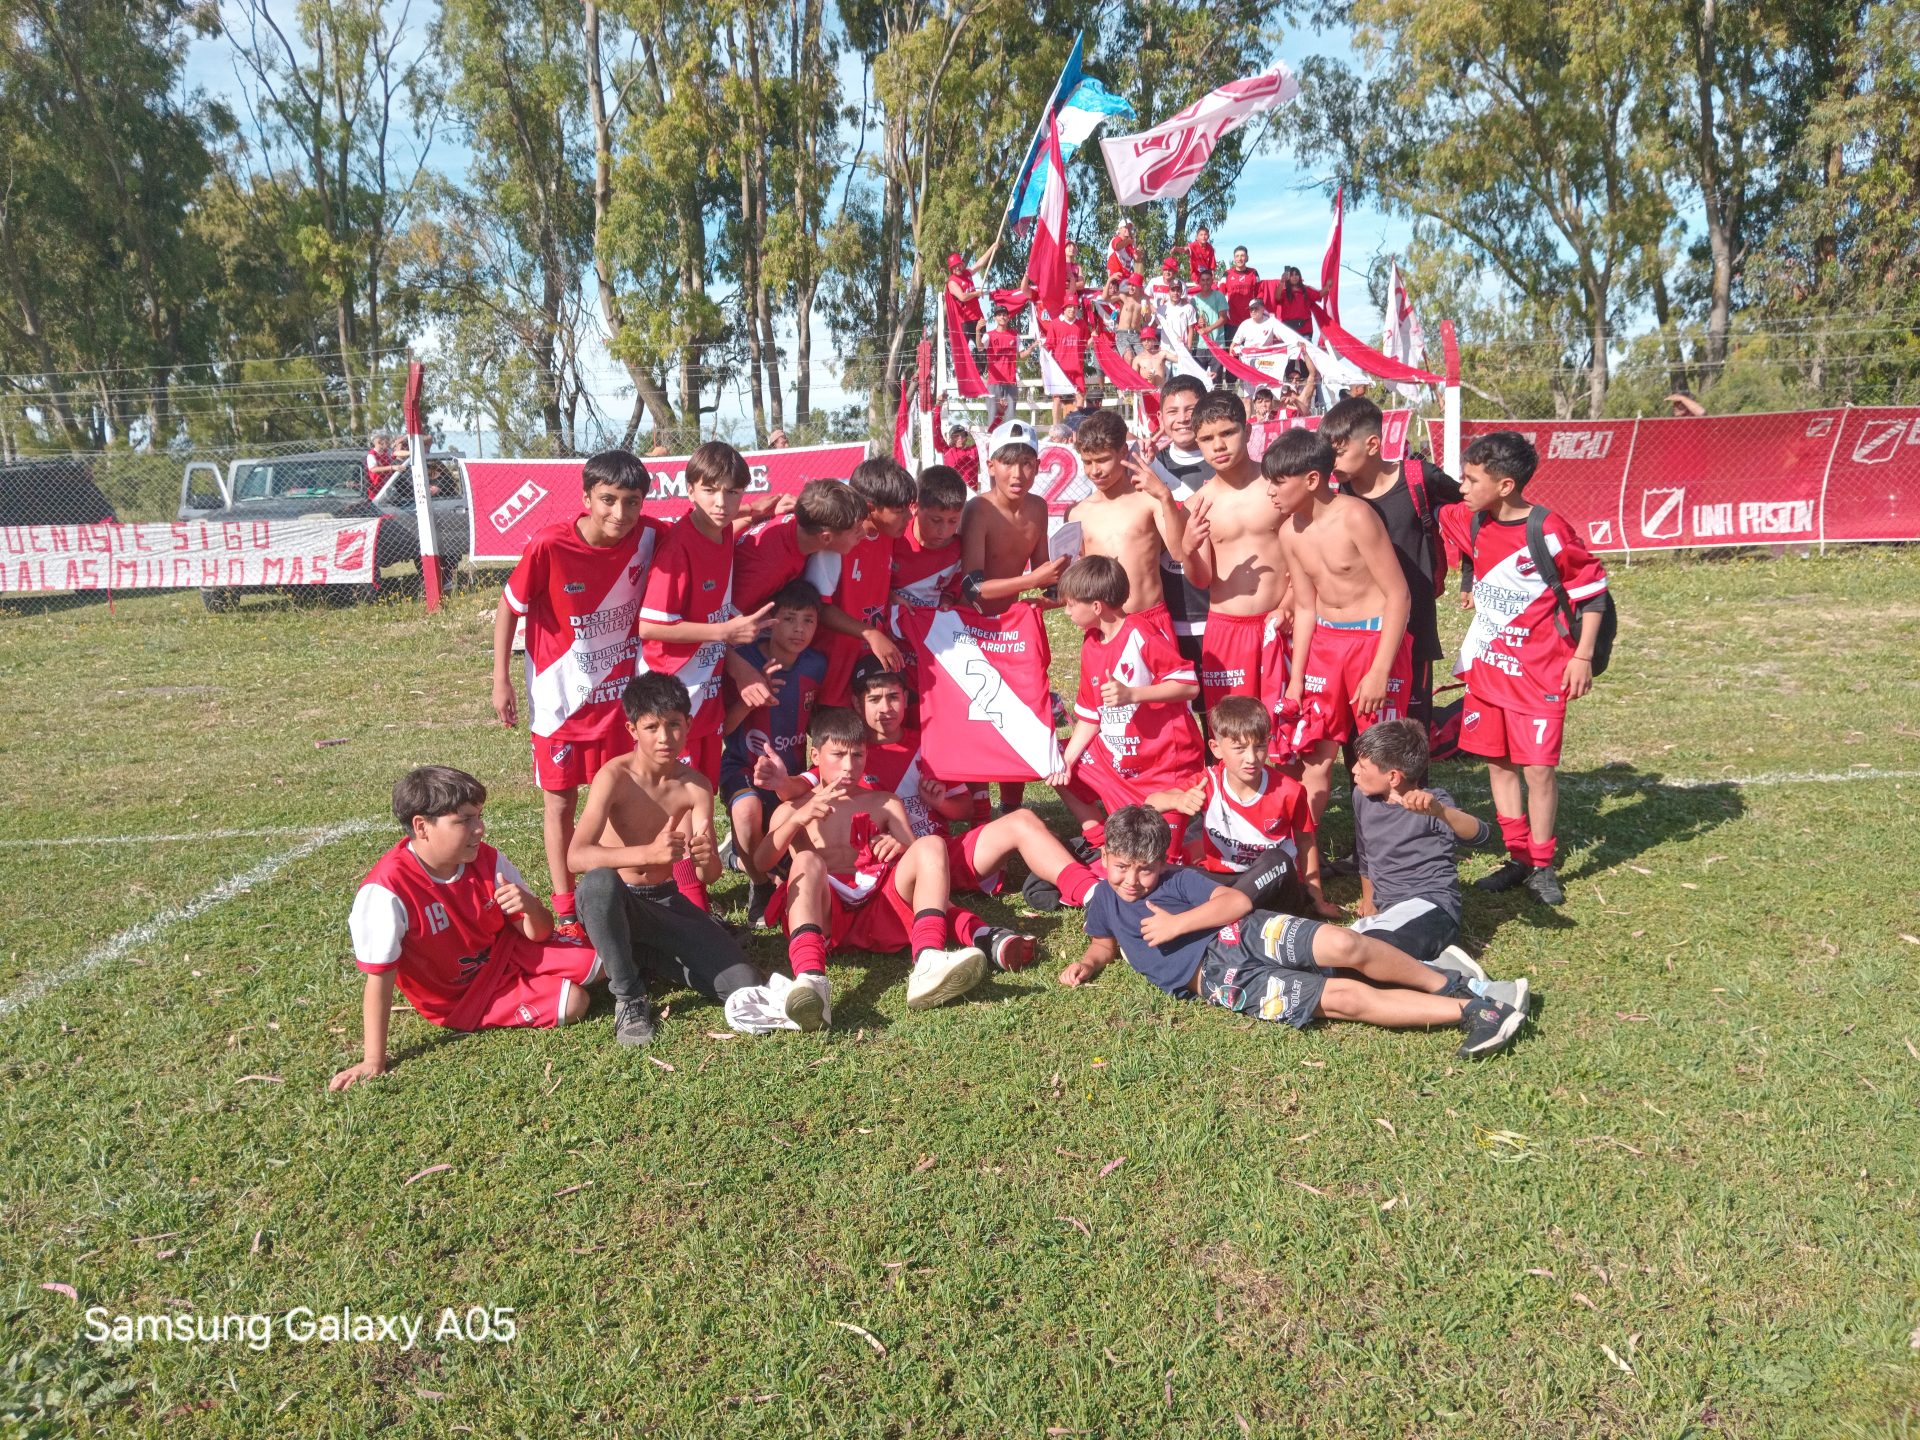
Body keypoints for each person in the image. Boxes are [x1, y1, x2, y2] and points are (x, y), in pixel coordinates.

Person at [1055, 806, 1530, 1058]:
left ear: (1162, 863)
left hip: (1237, 933)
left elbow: (1235, 902)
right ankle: (1473, 1012)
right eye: (1121, 868)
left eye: (1145, 870)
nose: (1132, 880)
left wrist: (1178, 922)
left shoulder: (1177, 881)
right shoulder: (1104, 901)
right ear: (1103, 860)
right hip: (1222, 982)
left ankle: (1451, 982)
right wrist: (1089, 962)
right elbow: (1103, 942)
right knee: (1342, 998)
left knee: (1344, 942)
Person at [332, 767, 606, 1089]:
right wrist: (373, 1061)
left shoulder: (486, 859)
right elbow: (379, 979)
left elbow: (539, 933)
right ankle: (531, 989)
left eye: (479, 817)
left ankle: (541, 979)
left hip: (507, 951)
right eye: (465, 820)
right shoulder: (386, 892)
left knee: (601, 962)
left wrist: (530, 906)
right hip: (461, 995)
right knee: (575, 1003)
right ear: (422, 827)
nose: (480, 829)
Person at [749, 707, 1015, 1029]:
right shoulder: (792, 807)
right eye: (838, 755)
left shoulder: (884, 802)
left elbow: (916, 856)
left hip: (881, 904)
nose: (849, 766)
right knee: (806, 861)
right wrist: (796, 820)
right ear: (816, 754)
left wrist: (900, 846)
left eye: (857, 755)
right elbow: (762, 863)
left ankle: (928, 958)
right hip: (827, 914)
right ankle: (811, 979)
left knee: (930, 844)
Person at [493, 448, 657, 943]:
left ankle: (632, 891)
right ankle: (566, 911)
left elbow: (700, 523)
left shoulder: (648, 536)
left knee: (623, 796)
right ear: (586, 498)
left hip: (618, 704)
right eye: (608, 500)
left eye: (632, 502)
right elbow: (509, 608)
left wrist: (760, 509)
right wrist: (500, 678)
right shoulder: (549, 546)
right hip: (561, 704)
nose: (619, 514)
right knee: (560, 805)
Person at [567, 674, 770, 1043]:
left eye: (674, 724)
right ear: (632, 729)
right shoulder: (615, 776)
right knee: (599, 883)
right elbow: (576, 856)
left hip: (666, 899)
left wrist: (705, 857)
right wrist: (648, 852)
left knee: (744, 983)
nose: (665, 737)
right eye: (652, 727)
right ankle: (628, 995)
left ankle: (642, 956)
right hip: (617, 900)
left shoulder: (696, 786)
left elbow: (709, 875)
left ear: (688, 724)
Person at [1456, 431, 1609, 906]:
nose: (1461, 487)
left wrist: (1581, 656)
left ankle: (1544, 866)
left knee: (1538, 771)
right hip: (1488, 669)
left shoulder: (1547, 529)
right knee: (1499, 765)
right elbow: (1463, 544)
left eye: (1470, 479)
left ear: (1505, 486)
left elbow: (1593, 591)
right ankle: (1518, 857)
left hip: (1542, 675)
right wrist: (1467, 580)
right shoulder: (1475, 520)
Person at [847, 657, 1101, 935]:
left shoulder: (928, 743)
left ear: (906, 698)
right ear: (858, 704)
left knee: (1022, 820)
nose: (885, 708)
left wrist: (939, 802)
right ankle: (970, 934)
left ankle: (1095, 895)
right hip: (898, 872)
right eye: (874, 699)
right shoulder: (849, 756)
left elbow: (965, 809)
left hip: (946, 854)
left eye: (893, 697)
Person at [637, 441, 778, 907]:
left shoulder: (721, 530)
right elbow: (649, 624)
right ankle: (688, 901)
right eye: (711, 490)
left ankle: (688, 893)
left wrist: (759, 512)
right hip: (674, 692)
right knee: (677, 798)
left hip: (707, 686)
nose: (722, 502)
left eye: (733, 492)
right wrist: (725, 632)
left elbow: (732, 524)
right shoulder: (679, 547)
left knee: (701, 792)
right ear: (690, 489)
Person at [1267, 427, 1413, 832]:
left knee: (1382, 763)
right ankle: (1300, 863)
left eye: (1279, 481)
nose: (1271, 492)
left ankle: (1388, 861)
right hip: (1325, 650)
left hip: (1373, 643)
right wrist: (1296, 681)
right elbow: (1305, 606)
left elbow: (1399, 596)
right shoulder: (1288, 532)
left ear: (1312, 479)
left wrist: (1380, 670)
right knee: (1313, 760)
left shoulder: (1356, 516)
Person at [1322, 396, 1464, 732]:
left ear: (1372, 444)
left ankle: (1413, 787)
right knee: (1364, 727)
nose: (1333, 462)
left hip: (1414, 625)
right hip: (1359, 633)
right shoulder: (1336, 496)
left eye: (1339, 452)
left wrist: (1471, 576)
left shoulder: (1420, 478)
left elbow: (1473, 507)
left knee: (1411, 732)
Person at [1050, 555, 1205, 855]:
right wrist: (1066, 762)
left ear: (1096, 606)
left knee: (1159, 862)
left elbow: (1189, 685)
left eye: (1070, 604)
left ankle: (1215, 851)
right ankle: (1098, 837)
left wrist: (1133, 694)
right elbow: (1090, 715)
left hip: (1163, 770)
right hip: (1117, 763)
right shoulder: (1091, 643)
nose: (1066, 611)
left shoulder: (1140, 633)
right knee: (1053, 759)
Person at [960, 419, 1069, 816]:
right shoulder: (979, 510)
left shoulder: (1038, 507)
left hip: (1015, 632)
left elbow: (1044, 579)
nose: (1017, 473)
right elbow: (972, 587)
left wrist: (1057, 588)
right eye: (1008, 462)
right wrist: (1033, 579)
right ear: (991, 466)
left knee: (1016, 719)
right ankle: (976, 809)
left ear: (1038, 466)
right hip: (972, 631)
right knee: (977, 721)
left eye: (1026, 463)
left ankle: (1010, 808)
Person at [1148, 694, 1335, 916]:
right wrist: (1177, 800)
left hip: (1275, 883)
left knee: (1276, 859)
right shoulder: (1209, 782)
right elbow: (1151, 803)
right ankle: (1230, 913)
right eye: (1239, 748)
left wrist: (1317, 899)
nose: (1252, 758)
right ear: (1216, 748)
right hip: (1225, 882)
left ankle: (1217, 916)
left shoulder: (1290, 791)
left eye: (1259, 746)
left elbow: (1306, 843)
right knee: (1163, 873)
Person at [715, 581, 828, 925]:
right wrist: (752, 696)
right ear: (771, 621)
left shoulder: (816, 665)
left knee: (801, 860)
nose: (799, 629)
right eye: (789, 619)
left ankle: (739, 854)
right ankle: (759, 885)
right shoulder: (745, 661)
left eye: (808, 620)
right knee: (748, 812)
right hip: (742, 769)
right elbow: (723, 730)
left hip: (789, 777)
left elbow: (819, 724)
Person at [1349, 717, 1506, 965]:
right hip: (1389, 913)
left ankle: (1461, 980)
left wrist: (1440, 811)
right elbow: (1365, 852)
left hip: (1431, 907)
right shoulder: (1362, 796)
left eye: (1362, 766)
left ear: (1393, 776)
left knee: (1369, 956)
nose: (1354, 770)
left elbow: (1483, 836)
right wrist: (1369, 899)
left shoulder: (1431, 803)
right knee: (1335, 955)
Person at [1183, 390, 1291, 723]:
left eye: (1228, 432)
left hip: (1281, 621)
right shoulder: (1200, 502)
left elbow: (1307, 556)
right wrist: (1187, 548)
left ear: (1248, 430)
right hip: (1226, 628)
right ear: (1198, 444)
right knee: (1234, 729)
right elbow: (1201, 579)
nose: (1218, 445)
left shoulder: (1279, 486)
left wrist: (1289, 603)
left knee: (1287, 724)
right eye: (1207, 438)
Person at [1067, 410, 1187, 637]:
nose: (1095, 470)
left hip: (1150, 620)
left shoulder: (1149, 499)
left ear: (1123, 451)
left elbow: (1179, 552)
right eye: (1088, 462)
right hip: (1105, 627)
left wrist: (1164, 496)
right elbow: (1077, 576)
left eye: (1103, 460)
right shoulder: (1077, 513)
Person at [814, 457, 916, 706]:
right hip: (835, 663)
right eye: (899, 510)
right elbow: (817, 607)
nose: (908, 517)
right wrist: (869, 633)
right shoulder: (838, 542)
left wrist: (890, 595)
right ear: (871, 508)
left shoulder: (888, 534)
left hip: (871, 657)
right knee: (838, 736)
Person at [730, 476, 869, 616]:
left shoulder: (806, 513)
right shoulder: (769, 569)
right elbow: (727, 619)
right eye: (857, 529)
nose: (863, 534)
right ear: (826, 537)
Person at [1149, 374, 1214, 669]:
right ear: (1160, 417)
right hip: (1167, 611)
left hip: (1218, 609)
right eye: (1173, 412)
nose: (1183, 419)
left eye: (1191, 410)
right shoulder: (1149, 466)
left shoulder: (1225, 461)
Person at [892, 463, 967, 610]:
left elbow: (950, 591)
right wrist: (891, 597)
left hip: (930, 622)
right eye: (936, 520)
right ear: (915, 507)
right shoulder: (896, 536)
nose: (944, 531)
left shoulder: (959, 552)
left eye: (953, 521)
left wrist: (946, 603)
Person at [1039, 301, 1089, 424]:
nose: (1072, 309)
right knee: (1057, 399)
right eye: (1070, 307)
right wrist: (1042, 350)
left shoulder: (1081, 324)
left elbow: (1086, 343)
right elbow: (1049, 345)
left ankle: (1077, 426)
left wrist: (1093, 339)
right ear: (1064, 308)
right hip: (1060, 370)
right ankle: (1056, 428)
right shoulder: (1055, 324)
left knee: (1080, 396)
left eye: (1075, 307)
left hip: (1077, 367)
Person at [1231, 297, 1292, 384]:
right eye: (1251, 309)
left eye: (1256, 308)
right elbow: (1234, 345)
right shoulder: (1244, 324)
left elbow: (1281, 337)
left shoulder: (1271, 322)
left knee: (1267, 390)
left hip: (1267, 364)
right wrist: (1235, 363)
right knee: (1249, 394)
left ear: (1263, 309)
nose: (1253, 311)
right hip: (1249, 364)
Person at [982, 308, 1022, 430]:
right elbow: (979, 346)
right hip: (994, 381)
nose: (1002, 317)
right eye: (999, 315)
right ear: (995, 318)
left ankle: (1009, 446)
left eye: (1004, 314)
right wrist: (978, 331)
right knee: (993, 417)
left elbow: (1021, 354)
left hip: (1010, 381)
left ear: (1008, 317)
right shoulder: (989, 335)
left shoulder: (1014, 335)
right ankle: (992, 445)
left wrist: (1033, 347)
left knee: (1010, 418)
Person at [1188, 269, 1228, 382]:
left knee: (1216, 380)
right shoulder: (1194, 300)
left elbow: (1223, 318)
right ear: (1199, 282)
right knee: (1199, 380)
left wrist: (1208, 329)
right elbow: (1191, 321)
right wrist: (1197, 322)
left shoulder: (1219, 296)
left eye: (1208, 280)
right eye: (1203, 280)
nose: (1205, 282)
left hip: (1216, 345)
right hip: (1199, 345)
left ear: (1212, 281)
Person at [1260, 265, 1320, 338]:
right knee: (1291, 349)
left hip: (1305, 329)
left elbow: (1319, 295)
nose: (1294, 277)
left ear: (1299, 276)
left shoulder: (1306, 290)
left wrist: (1327, 288)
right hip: (1289, 330)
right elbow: (1277, 297)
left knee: (1306, 349)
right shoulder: (1284, 292)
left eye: (1296, 274)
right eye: (1291, 275)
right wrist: (1282, 282)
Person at [946, 251, 988, 354]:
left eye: (958, 265)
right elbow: (962, 297)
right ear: (951, 269)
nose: (957, 268)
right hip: (964, 321)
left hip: (978, 317)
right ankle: (960, 370)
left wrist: (992, 248)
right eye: (954, 267)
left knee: (983, 349)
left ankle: (982, 369)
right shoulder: (952, 281)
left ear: (962, 264)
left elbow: (979, 264)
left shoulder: (967, 273)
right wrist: (976, 294)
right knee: (962, 352)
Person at [1219, 246, 1261, 334]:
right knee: (1231, 347)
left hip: (1250, 320)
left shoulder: (1253, 272)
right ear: (1234, 258)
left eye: (1242, 256)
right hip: (1231, 321)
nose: (1240, 258)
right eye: (1237, 256)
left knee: (1250, 347)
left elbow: (1259, 294)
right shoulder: (1227, 273)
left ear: (1247, 258)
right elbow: (1220, 295)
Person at [1113, 277, 1145, 358]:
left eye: (1133, 285)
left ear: (1140, 287)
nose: (1131, 287)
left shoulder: (1144, 300)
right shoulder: (1123, 297)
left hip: (1136, 334)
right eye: (1129, 285)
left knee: (1143, 358)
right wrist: (1110, 279)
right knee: (1129, 357)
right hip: (1122, 334)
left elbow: (1147, 319)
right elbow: (1105, 298)